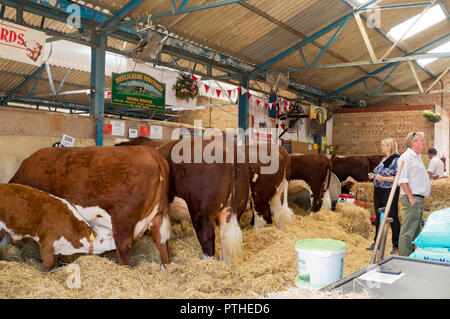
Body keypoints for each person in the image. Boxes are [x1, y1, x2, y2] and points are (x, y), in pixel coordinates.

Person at [397, 132, 431, 257]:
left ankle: (412, 256)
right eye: (421, 140)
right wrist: (411, 197)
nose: (424, 142)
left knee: (416, 230)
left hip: (418, 198)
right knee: (408, 230)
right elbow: (402, 179)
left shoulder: (417, 157)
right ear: (414, 142)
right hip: (412, 198)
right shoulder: (406, 157)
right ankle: (405, 257)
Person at [366, 138, 400, 254]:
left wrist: (383, 178)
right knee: (379, 216)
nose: (381, 147)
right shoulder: (384, 159)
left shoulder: (397, 159)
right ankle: (377, 241)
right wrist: (374, 175)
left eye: (383, 145)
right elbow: (379, 173)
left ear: (390, 146)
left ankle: (396, 245)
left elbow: (398, 177)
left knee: (392, 216)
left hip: (389, 191)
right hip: (378, 190)